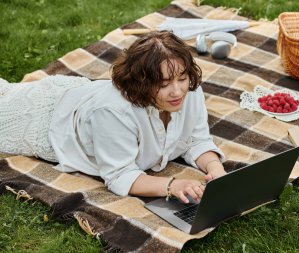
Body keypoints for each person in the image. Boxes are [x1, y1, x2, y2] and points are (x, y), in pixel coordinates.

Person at [0, 31, 226, 203]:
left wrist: (216, 170)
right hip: (46, 120)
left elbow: (196, 141)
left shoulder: (190, 92)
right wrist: (172, 185)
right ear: (141, 83)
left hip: (80, 97)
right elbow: (120, 175)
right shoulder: (114, 112)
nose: (177, 91)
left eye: (182, 78)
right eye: (163, 84)